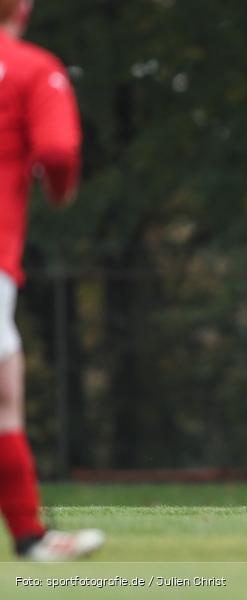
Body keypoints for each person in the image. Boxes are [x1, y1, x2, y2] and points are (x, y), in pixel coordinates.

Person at [0, 0, 104, 560]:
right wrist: (58, 192)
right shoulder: (29, 66)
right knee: (3, 404)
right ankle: (31, 539)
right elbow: (59, 150)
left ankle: (29, 536)